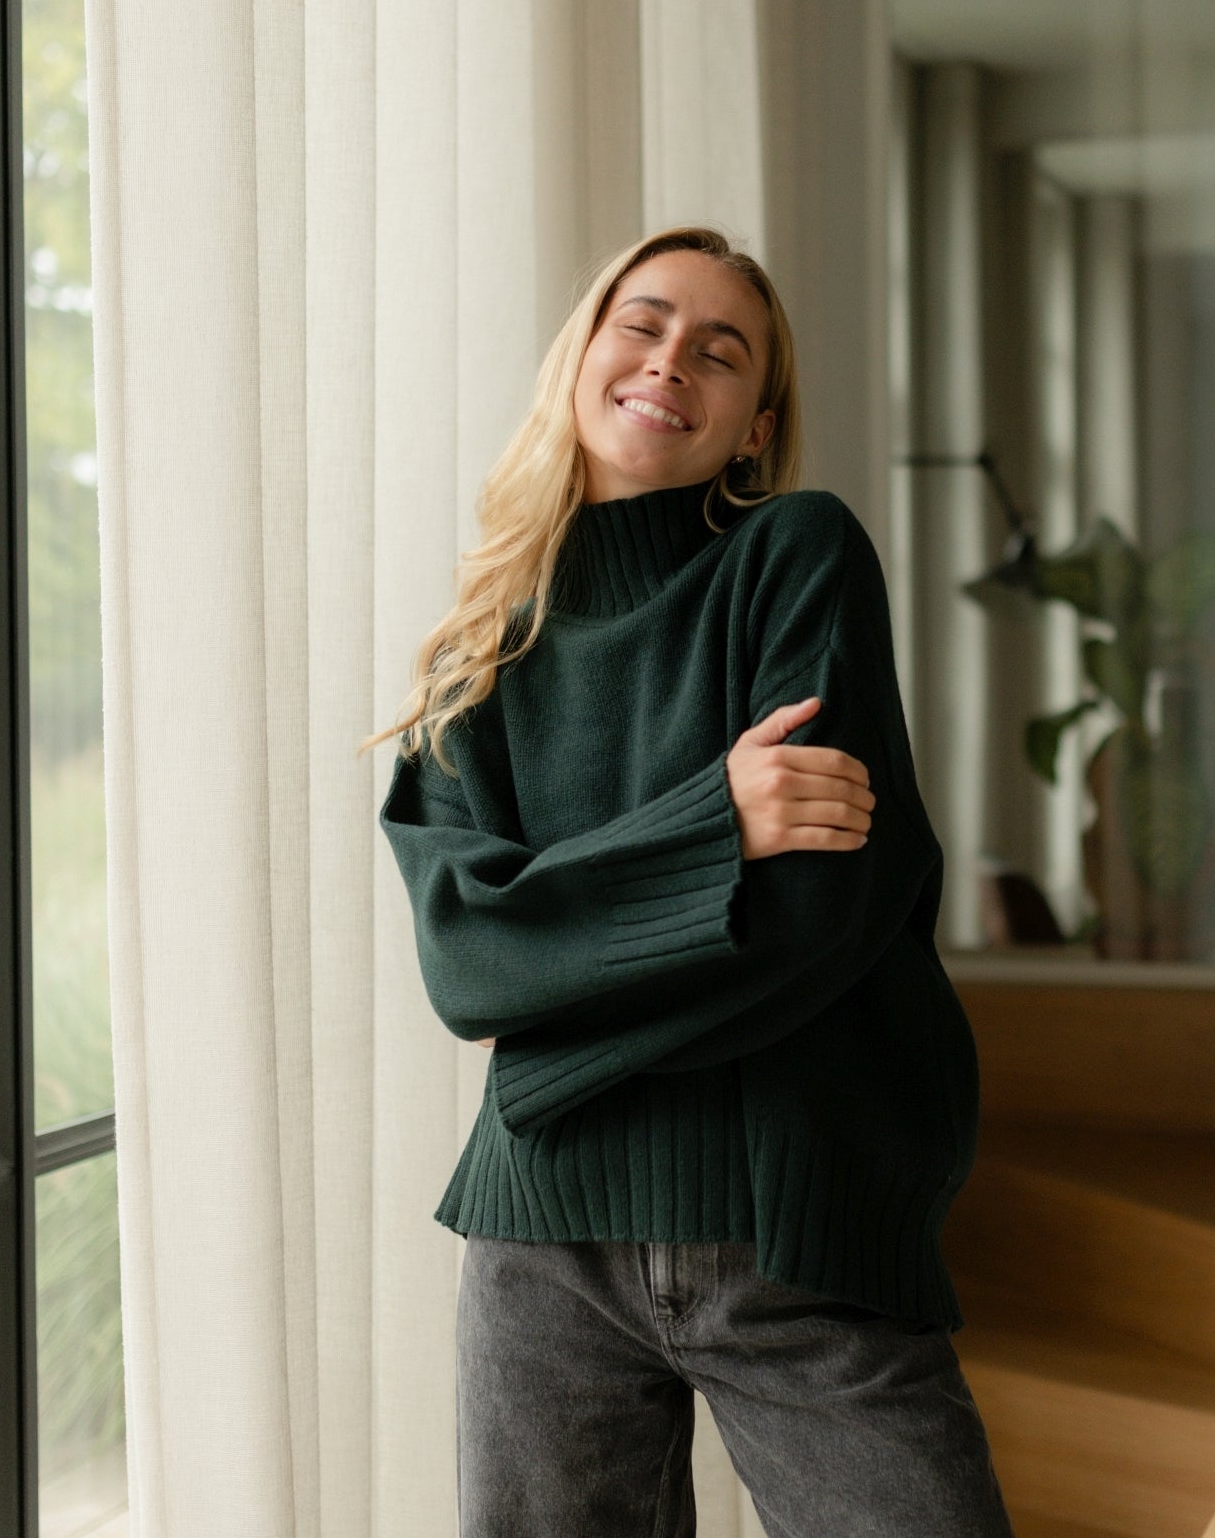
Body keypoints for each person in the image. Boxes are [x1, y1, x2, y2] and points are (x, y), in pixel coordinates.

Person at [364, 224, 1013, 1538]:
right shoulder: (476, 651)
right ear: (582, 356)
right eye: (644, 324)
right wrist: (717, 822)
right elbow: (469, 965)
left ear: (754, 425)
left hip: (792, 1222)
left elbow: (826, 912)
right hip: (540, 1257)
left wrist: (544, 1060)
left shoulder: (796, 555)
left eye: (721, 352)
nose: (672, 361)